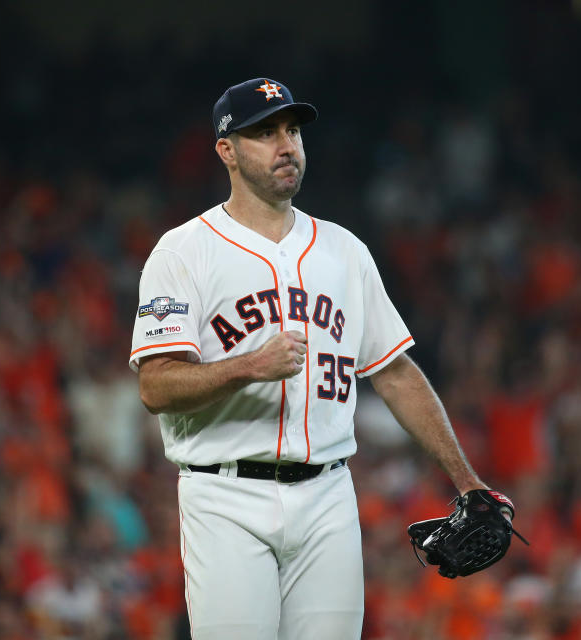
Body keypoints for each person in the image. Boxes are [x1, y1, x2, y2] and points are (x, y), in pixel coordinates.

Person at [130, 77, 510, 639]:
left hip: (328, 494)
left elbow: (396, 372)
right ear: (227, 151)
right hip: (225, 494)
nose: (286, 145)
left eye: (292, 130)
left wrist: (466, 479)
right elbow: (155, 387)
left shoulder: (344, 250)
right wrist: (248, 366)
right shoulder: (184, 250)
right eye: (264, 133)